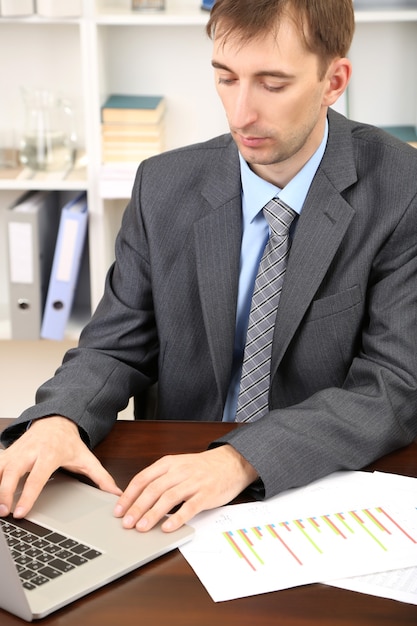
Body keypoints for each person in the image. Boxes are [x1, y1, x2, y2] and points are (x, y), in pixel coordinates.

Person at [1, 0, 417, 534]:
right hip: (168, 485)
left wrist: (241, 459)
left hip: (316, 490)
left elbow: (394, 384)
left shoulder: (402, 190)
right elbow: (115, 343)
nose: (241, 113)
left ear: (333, 81)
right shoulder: (163, 184)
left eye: (272, 83)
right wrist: (60, 418)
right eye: (226, 78)